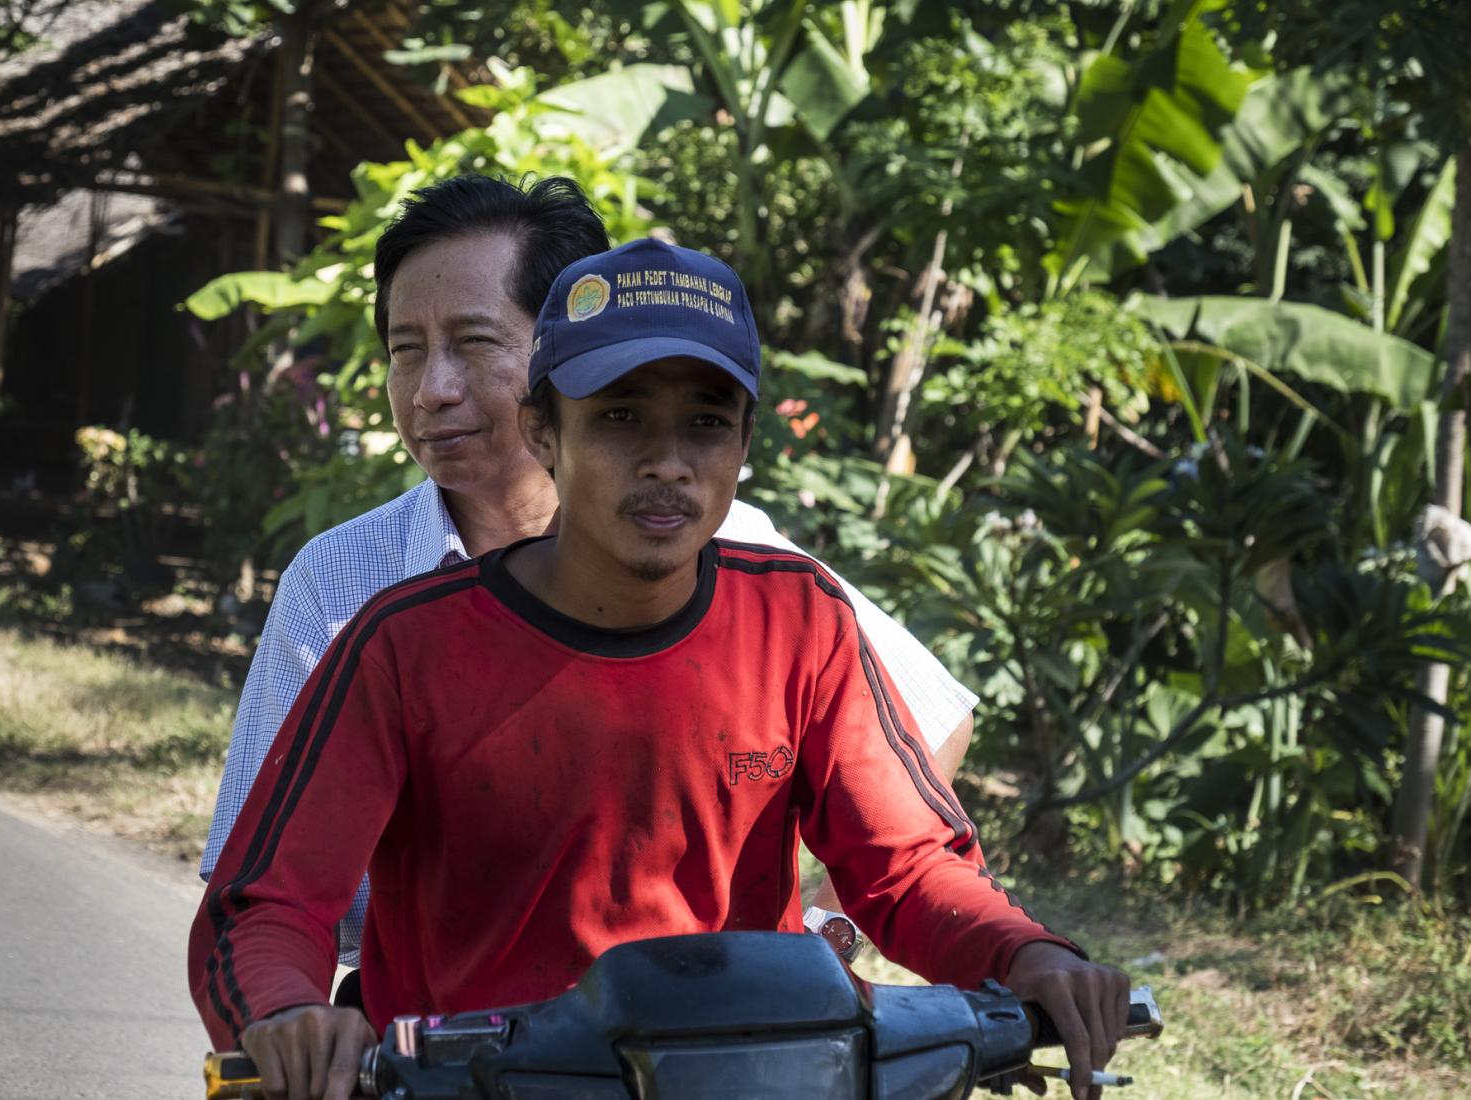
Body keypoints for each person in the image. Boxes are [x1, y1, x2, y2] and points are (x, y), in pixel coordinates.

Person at [189, 239, 1130, 1100]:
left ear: (746, 446)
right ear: (545, 433)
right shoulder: (404, 645)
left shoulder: (799, 620)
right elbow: (266, 901)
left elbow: (909, 865)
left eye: (707, 423)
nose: (668, 464)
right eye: (621, 418)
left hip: (751, 1075)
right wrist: (284, 1015)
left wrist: (1026, 954)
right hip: (478, 1083)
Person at [200, 175, 978, 971]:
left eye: (473, 343)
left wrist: (824, 934)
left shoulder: (738, 560)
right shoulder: (344, 582)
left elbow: (931, 728)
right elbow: (264, 889)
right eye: (407, 350)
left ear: (565, 360)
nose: (433, 390)